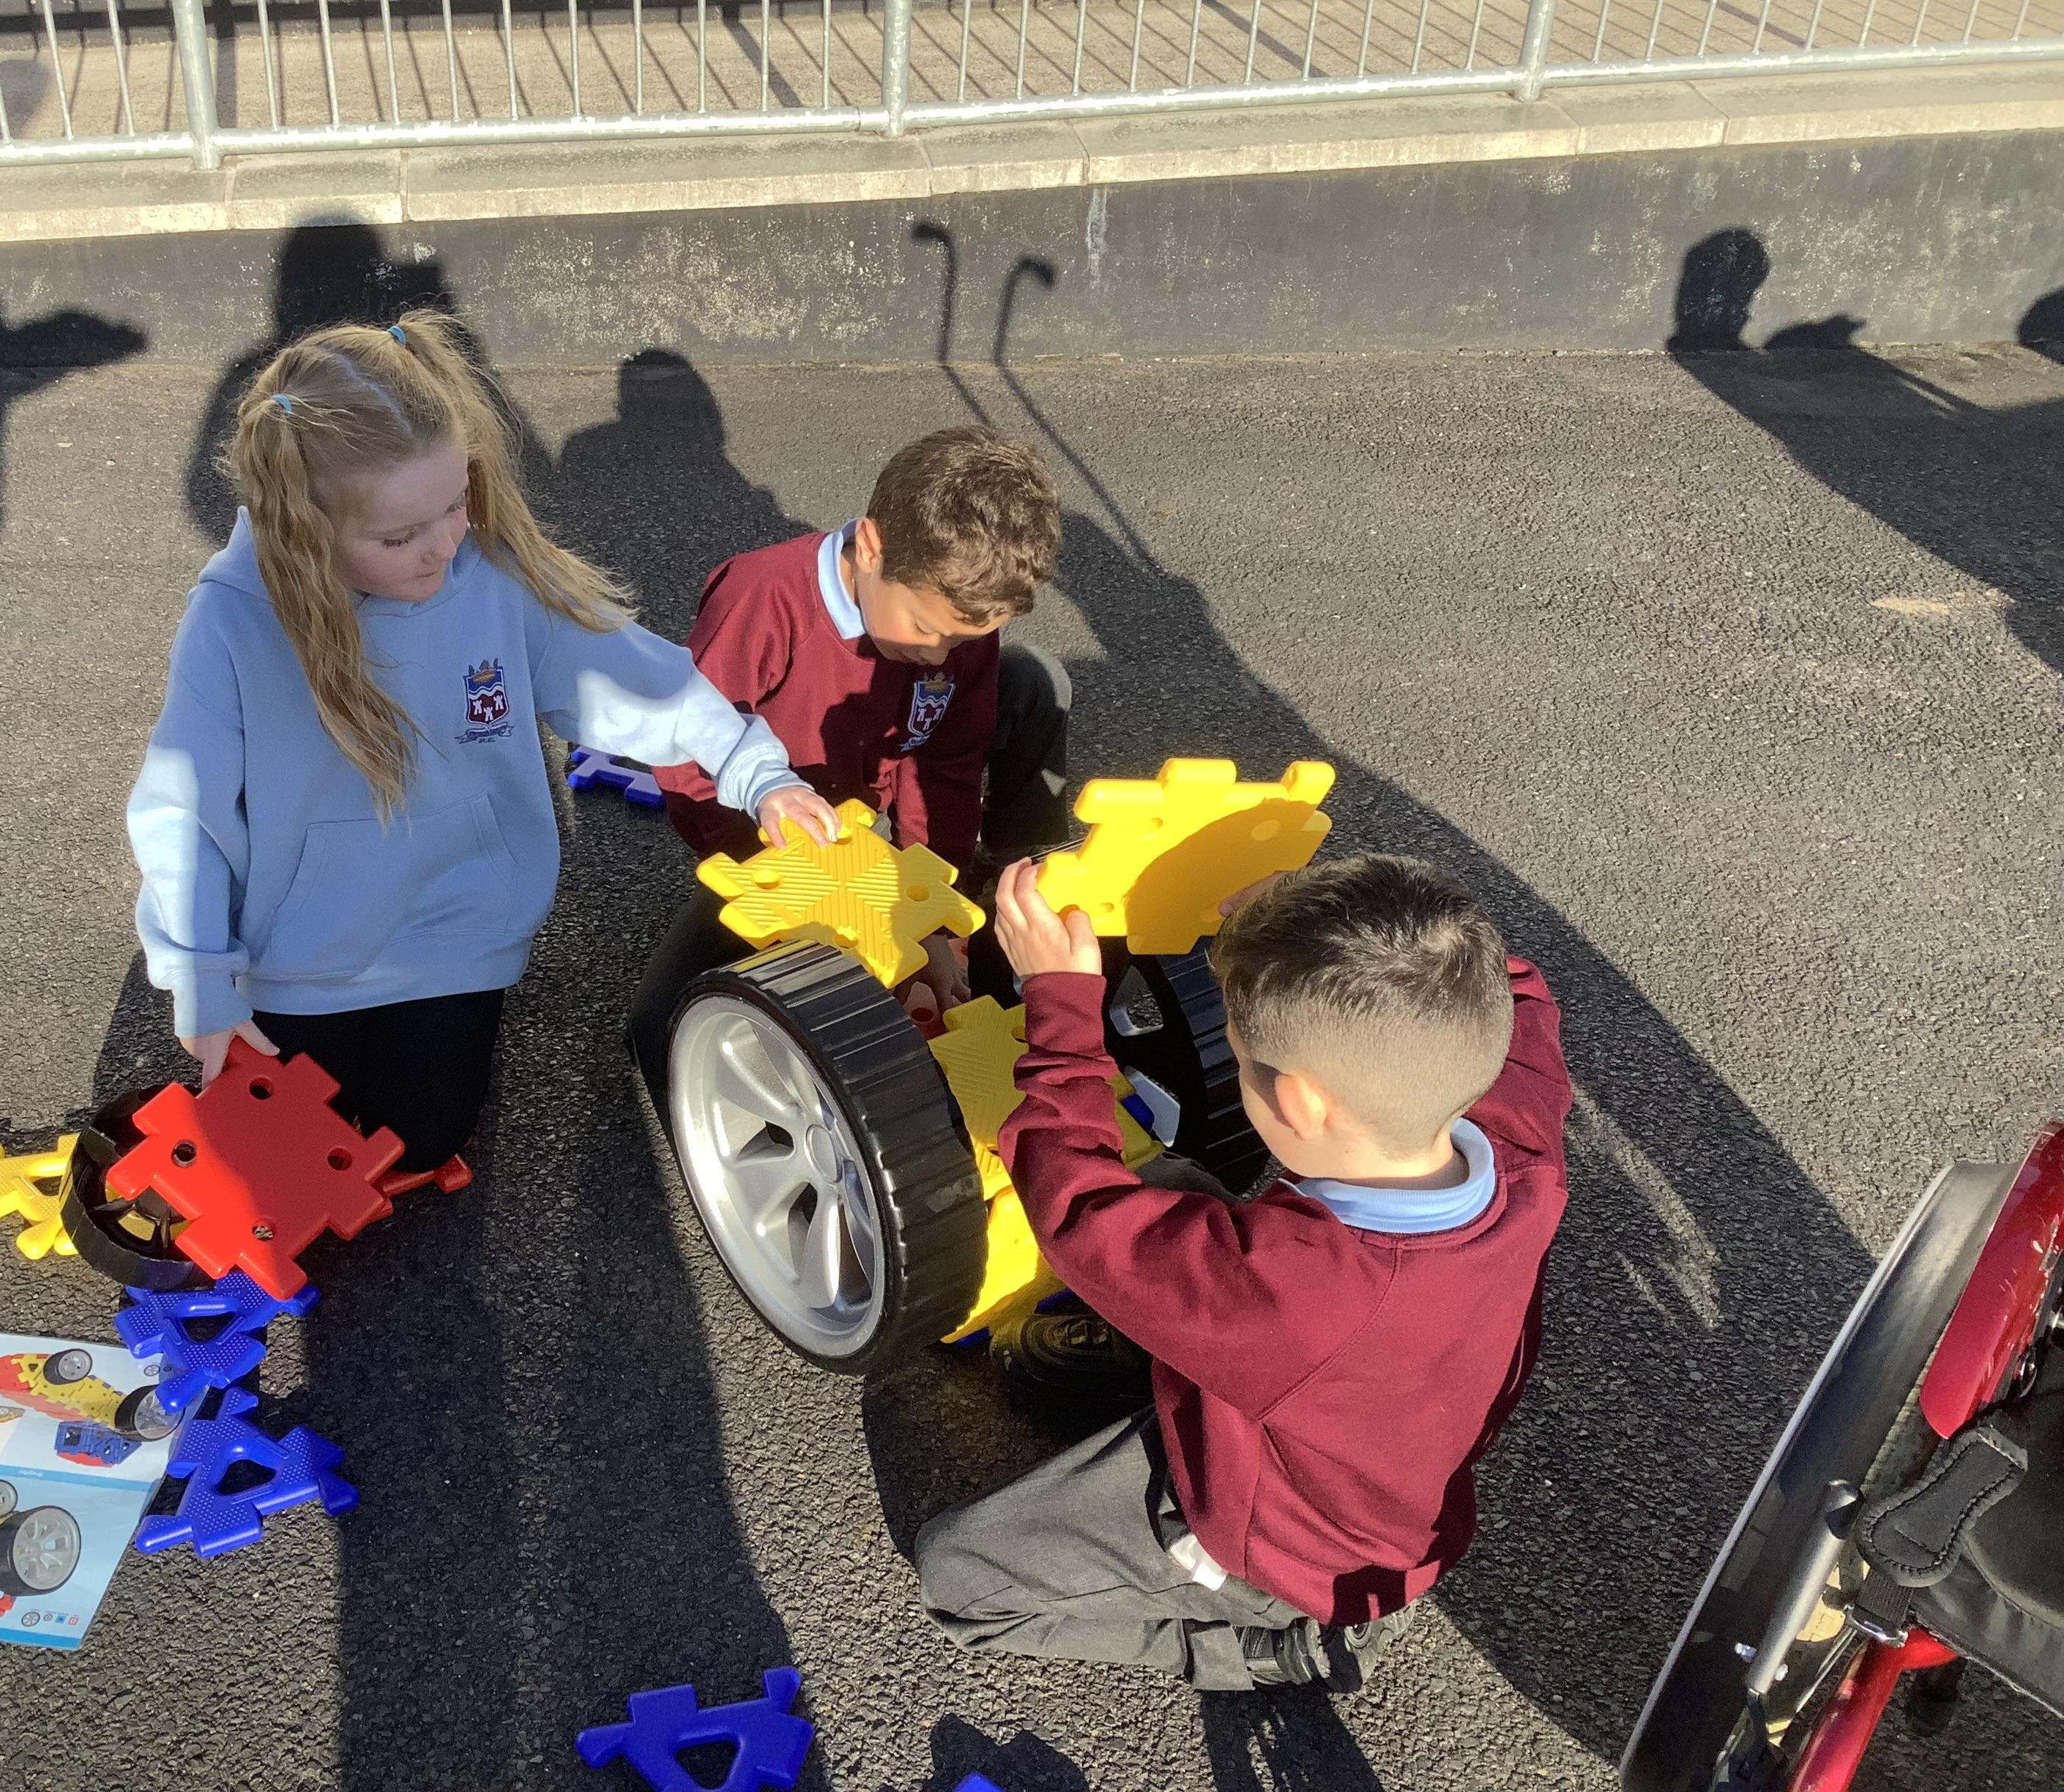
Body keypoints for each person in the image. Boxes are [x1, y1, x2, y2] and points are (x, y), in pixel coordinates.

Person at [126, 312, 836, 1171]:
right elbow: (186, 811)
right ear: (304, 529)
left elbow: (639, 679)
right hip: (300, 954)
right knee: (287, 1161)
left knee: (421, 1144)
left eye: (456, 503)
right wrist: (202, 975)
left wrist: (757, 772)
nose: (446, 545)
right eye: (400, 537)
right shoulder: (234, 619)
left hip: (453, 938)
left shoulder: (490, 576)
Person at [914, 853, 1572, 1691]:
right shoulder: (1517, 1138)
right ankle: (1176, 1371)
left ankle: (1279, 1650)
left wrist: (1061, 1011)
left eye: (1241, 1055)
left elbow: (1078, 1211)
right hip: (1371, 1440)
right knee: (1171, 1192)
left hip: (1287, 1545)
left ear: (1299, 1104)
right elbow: (1516, 985)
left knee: (959, 1575)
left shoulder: (1292, 1295)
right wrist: (1316, 911)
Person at [629, 425, 1073, 1089]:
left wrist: (937, 921)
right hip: (778, 838)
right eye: (924, 629)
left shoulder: (955, 619)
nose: (938, 655)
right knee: (658, 1036)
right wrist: (809, 899)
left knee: (1035, 681)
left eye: (961, 640)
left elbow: (944, 771)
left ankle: (1013, 881)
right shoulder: (762, 598)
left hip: (870, 807)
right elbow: (686, 753)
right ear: (870, 547)